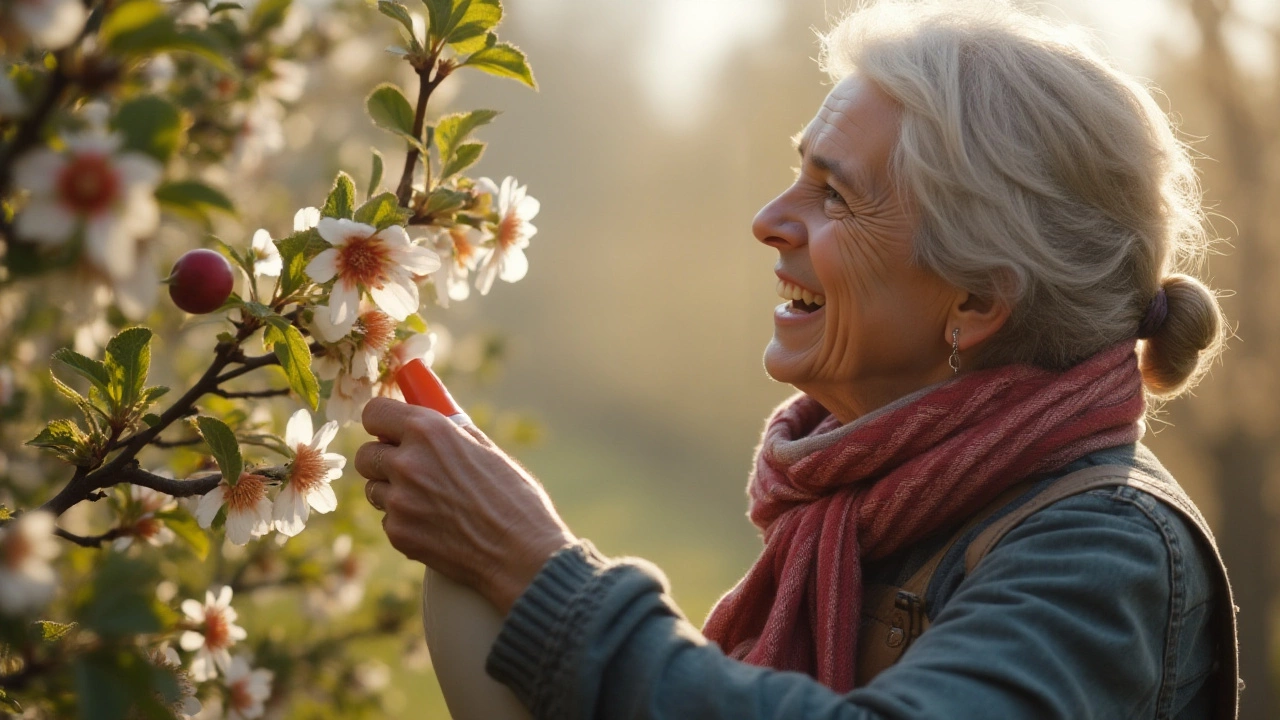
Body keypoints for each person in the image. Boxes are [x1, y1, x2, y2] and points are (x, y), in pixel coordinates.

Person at [356, 1, 1241, 717]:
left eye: (835, 195)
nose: (769, 220)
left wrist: (540, 572)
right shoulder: (869, 498)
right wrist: (481, 557)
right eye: (797, 174)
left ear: (974, 301)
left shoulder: (1105, 549)